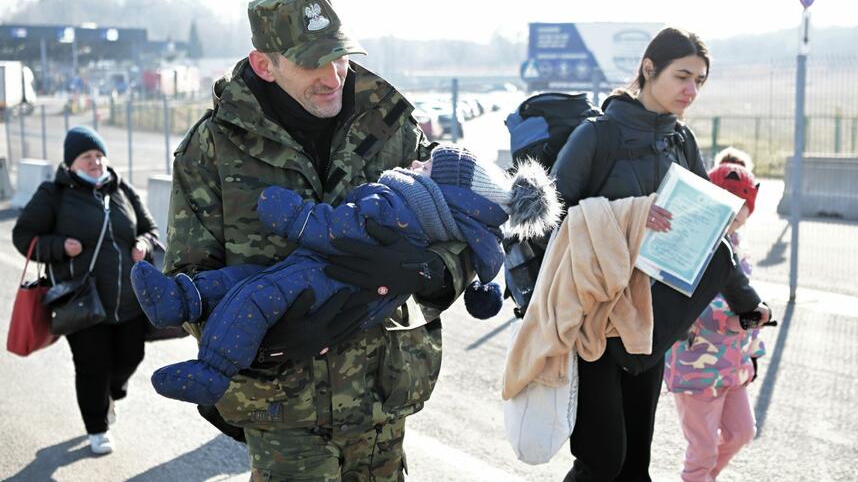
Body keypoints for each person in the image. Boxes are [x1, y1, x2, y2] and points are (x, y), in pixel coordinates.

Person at [164, 0, 478, 482]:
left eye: (338, 55)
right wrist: (267, 342)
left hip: (382, 394)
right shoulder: (212, 147)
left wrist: (430, 275)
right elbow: (192, 275)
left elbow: (458, 229)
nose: (333, 74)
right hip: (283, 407)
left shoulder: (392, 124)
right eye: (312, 61)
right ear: (265, 65)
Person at [525, 28, 772, 482]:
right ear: (649, 69)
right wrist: (631, 216)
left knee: (635, 465)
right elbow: (552, 221)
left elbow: (704, 229)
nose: (691, 90)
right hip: (595, 320)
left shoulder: (680, 142)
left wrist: (743, 299)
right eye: (682, 76)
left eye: (700, 81)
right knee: (604, 456)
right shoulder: (598, 135)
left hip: (653, 323)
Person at [133, 146, 557, 405]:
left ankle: (212, 371)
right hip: (283, 378)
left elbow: (337, 230)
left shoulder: (397, 205)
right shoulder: (423, 205)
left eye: (426, 165)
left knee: (254, 293)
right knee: (243, 279)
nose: (415, 160)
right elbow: (484, 256)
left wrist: (294, 217)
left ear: (439, 192)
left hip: (326, 293)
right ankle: (180, 299)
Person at [12, 126, 160, 456]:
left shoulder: (122, 189)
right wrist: (60, 246)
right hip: (81, 300)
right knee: (91, 364)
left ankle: (111, 393)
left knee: (131, 356)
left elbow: (150, 229)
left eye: (98, 155)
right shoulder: (54, 194)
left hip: (128, 299)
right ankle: (97, 428)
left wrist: (142, 243)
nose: (95, 162)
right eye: (86, 157)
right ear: (70, 164)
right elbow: (24, 237)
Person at [664, 148, 769, 482]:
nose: (735, 213)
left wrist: (751, 345)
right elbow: (685, 302)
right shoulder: (693, 244)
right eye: (729, 203)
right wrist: (735, 318)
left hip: (732, 363)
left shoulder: (737, 246)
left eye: (743, 206)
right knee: (703, 442)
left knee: (742, 432)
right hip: (696, 364)